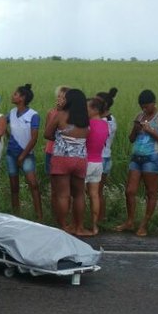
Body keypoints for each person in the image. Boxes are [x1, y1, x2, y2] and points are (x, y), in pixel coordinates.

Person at [115, 89, 158, 237]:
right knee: (130, 191)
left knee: (151, 192)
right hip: (136, 157)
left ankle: (144, 225)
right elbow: (131, 139)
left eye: (147, 106)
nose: (144, 109)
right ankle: (130, 221)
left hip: (151, 158)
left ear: (154, 103)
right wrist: (136, 128)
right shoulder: (140, 116)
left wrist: (151, 131)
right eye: (142, 106)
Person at [44, 88, 91, 235]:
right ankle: (79, 227)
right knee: (79, 194)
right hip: (80, 159)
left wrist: (60, 140)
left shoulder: (60, 115)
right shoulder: (85, 118)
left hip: (62, 158)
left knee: (63, 195)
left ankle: (64, 227)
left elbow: (47, 134)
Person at [4, 83, 43, 220]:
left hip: (26, 154)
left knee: (33, 184)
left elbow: (34, 138)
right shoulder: (11, 113)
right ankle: (16, 216)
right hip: (11, 154)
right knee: (14, 186)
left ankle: (39, 215)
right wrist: (9, 138)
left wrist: (23, 155)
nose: (12, 96)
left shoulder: (33, 115)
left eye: (15, 94)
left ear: (22, 98)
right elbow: (2, 126)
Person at [84, 95, 110, 236]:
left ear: (94, 109)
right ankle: (94, 226)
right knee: (94, 195)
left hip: (86, 162)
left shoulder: (88, 124)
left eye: (87, 107)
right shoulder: (105, 124)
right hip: (98, 162)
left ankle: (78, 224)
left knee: (79, 195)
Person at [95, 88, 119, 224]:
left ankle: (99, 219)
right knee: (97, 191)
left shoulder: (105, 121)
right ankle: (100, 218)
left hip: (101, 158)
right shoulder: (110, 119)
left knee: (96, 192)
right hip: (105, 157)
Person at [43, 86, 69, 175]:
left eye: (63, 98)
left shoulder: (70, 115)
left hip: (64, 152)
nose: (59, 99)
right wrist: (57, 112)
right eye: (58, 96)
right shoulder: (51, 112)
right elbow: (47, 131)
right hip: (51, 149)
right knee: (51, 175)